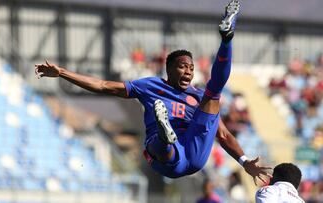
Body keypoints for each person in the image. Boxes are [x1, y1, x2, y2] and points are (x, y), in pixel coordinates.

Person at [35, 0, 271, 181]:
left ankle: (227, 38)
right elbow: (104, 86)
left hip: (196, 151)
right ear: (169, 69)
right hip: (169, 157)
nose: (188, 72)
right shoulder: (151, 86)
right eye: (182, 67)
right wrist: (63, 72)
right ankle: (164, 134)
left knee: (214, 93)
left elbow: (223, 135)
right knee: (163, 147)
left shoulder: (198, 95)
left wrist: (243, 161)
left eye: (191, 67)